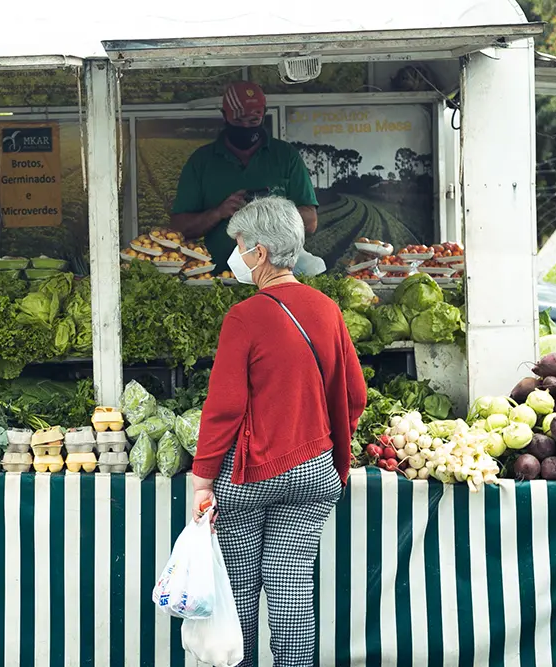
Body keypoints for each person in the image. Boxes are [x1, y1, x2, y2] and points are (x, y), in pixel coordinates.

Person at [190, 196, 367, 666]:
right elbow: (354, 395)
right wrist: (332, 452)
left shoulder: (244, 317)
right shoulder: (326, 309)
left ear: (260, 253)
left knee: (240, 589)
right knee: (292, 588)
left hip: (251, 476)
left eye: (240, 246)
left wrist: (202, 478)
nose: (237, 256)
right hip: (313, 472)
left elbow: (224, 408)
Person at [170, 81, 320, 274]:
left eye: (253, 120)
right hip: (217, 276)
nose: (246, 126)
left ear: (263, 115)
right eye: (239, 120)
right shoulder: (202, 161)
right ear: (224, 116)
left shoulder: (285, 156)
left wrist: (269, 213)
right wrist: (219, 212)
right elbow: (178, 228)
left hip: (275, 276)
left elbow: (310, 222)